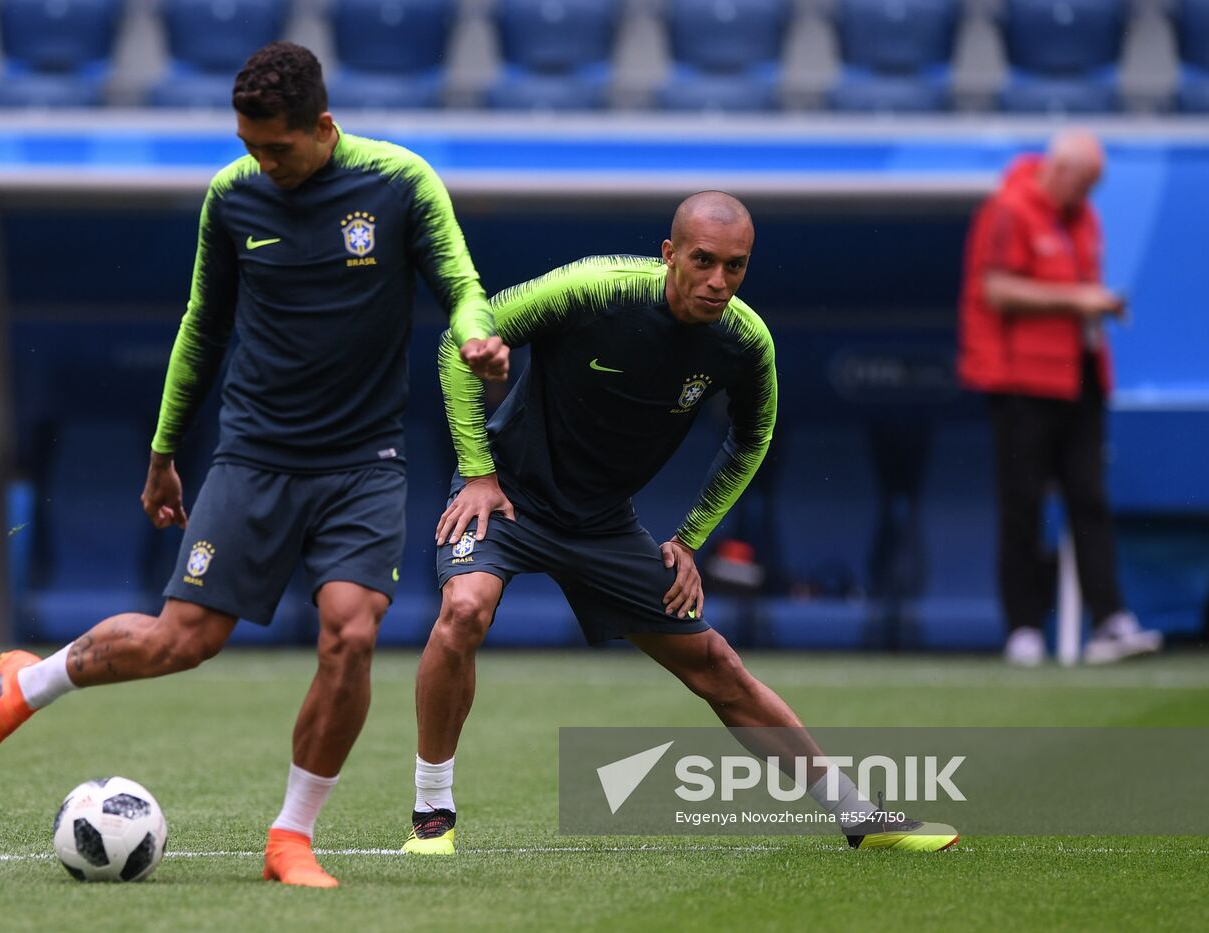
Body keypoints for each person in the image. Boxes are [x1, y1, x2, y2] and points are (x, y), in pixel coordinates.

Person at [0, 40, 510, 888]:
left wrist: (473, 334)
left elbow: (460, 281)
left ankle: (291, 837)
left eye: (275, 147)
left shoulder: (399, 184)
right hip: (254, 454)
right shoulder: (233, 197)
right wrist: (165, 451)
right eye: (248, 145)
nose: (260, 161)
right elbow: (202, 328)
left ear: (323, 126)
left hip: (364, 460)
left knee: (350, 634)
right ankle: (28, 683)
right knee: (183, 641)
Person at [399, 192, 957, 855]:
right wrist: (479, 471)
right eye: (703, 261)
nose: (718, 281)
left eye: (736, 266)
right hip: (508, 498)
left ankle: (858, 815)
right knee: (465, 607)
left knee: (717, 667)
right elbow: (459, 342)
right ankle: (432, 808)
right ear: (670, 255)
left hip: (601, 523)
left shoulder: (745, 341)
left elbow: (753, 439)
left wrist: (691, 538)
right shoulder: (591, 288)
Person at [957, 129, 1162, 667]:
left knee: (1090, 500)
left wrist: (1095, 305)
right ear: (1062, 169)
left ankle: (1110, 622)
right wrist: (1080, 299)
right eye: (1086, 183)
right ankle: (1022, 629)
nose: (1089, 196)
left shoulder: (1084, 220)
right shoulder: (1010, 208)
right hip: (1021, 382)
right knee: (1022, 507)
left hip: (1081, 377)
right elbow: (995, 289)